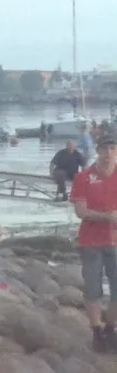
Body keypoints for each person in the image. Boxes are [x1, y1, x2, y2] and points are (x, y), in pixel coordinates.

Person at [73, 137, 117, 351]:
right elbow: (81, 211)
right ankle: (97, 332)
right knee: (93, 290)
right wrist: (108, 217)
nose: (108, 153)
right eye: (104, 149)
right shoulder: (84, 177)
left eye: (113, 148)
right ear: (97, 151)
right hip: (90, 242)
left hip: (115, 242)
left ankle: (110, 329)